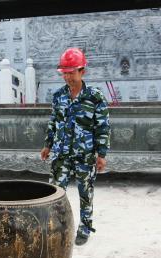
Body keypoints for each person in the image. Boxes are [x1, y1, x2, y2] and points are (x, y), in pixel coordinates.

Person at [40, 48, 111, 246]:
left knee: (85, 192)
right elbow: (53, 121)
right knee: (55, 191)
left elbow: (103, 127)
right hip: (61, 154)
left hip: (85, 155)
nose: (68, 76)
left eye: (71, 72)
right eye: (64, 72)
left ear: (82, 71)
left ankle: (85, 227)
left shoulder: (95, 96)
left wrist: (102, 154)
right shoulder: (59, 96)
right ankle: (56, 225)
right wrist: (47, 145)